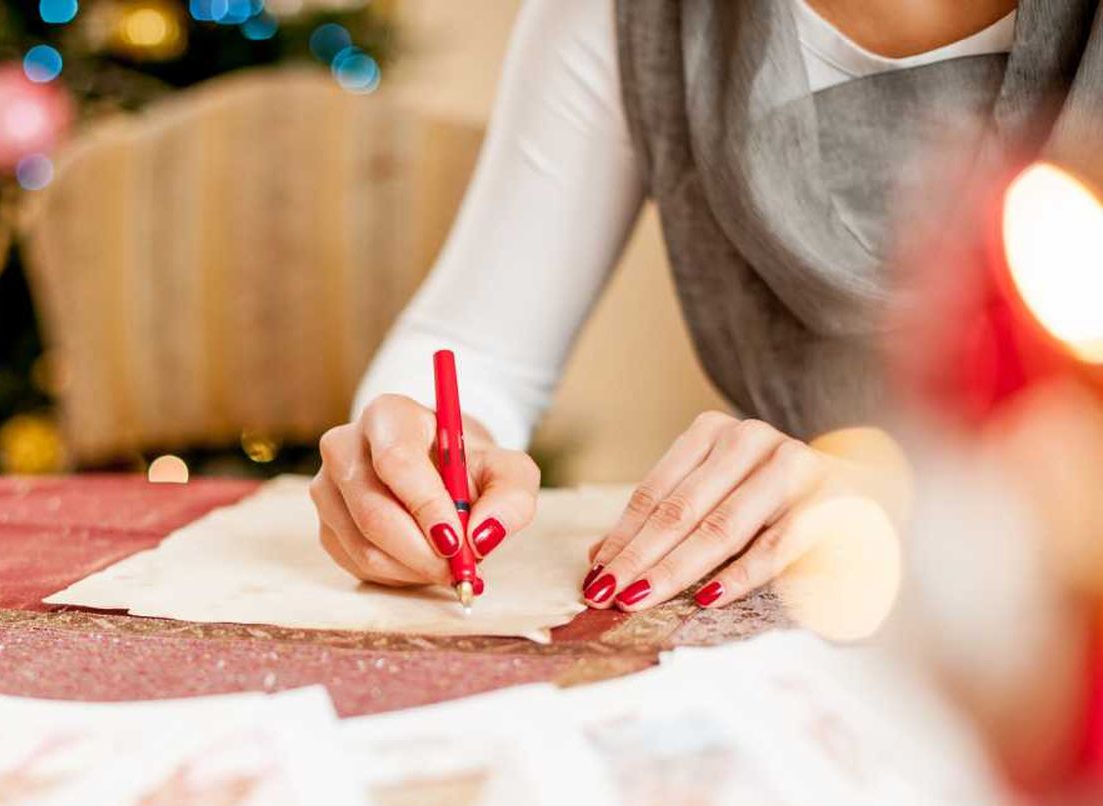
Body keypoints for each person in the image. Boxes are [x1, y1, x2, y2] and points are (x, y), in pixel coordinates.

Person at [312, 0, 1100, 612]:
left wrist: (895, 496)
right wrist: (408, 464)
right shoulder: (628, 17)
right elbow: (473, 350)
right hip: (795, 653)